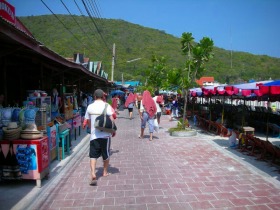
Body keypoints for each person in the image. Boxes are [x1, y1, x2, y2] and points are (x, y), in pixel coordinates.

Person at [82, 89, 116, 186]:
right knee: (106, 154)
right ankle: (104, 172)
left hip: (94, 136)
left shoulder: (90, 106)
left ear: (94, 96)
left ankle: (93, 173)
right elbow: (112, 119)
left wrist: (92, 128)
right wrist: (112, 131)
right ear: (103, 96)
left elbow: (87, 120)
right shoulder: (107, 106)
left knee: (93, 155)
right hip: (105, 135)